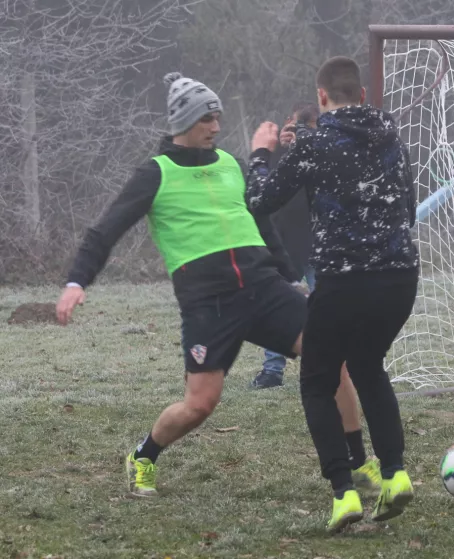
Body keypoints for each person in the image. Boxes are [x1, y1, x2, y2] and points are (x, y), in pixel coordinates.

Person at [54, 72, 380, 498]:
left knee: (330, 357)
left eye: (217, 117)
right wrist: (78, 280)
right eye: (208, 119)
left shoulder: (232, 165)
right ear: (186, 121)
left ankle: (360, 464)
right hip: (208, 302)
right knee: (200, 404)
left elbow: (263, 222)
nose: (216, 127)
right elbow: (105, 231)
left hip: (264, 288)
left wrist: (287, 274)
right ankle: (144, 455)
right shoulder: (156, 173)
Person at [245, 56, 419, 533]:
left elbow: (260, 201)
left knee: (317, 382)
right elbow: (409, 208)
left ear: (322, 98)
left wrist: (260, 155)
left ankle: (344, 493)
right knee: (367, 366)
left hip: (344, 281)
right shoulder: (393, 140)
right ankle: (395, 473)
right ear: (362, 95)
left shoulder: (313, 142)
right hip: (401, 276)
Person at [252, 102, 319, 389]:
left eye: (302, 126)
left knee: (326, 307)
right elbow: (262, 189)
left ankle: (332, 365)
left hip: (316, 244)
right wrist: (278, 150)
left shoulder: (322, 152)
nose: (295, 132)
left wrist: (303, 145)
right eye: (291, 125)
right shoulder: (276, 155)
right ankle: (272, 371)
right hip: (282, 243)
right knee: (277, 308)